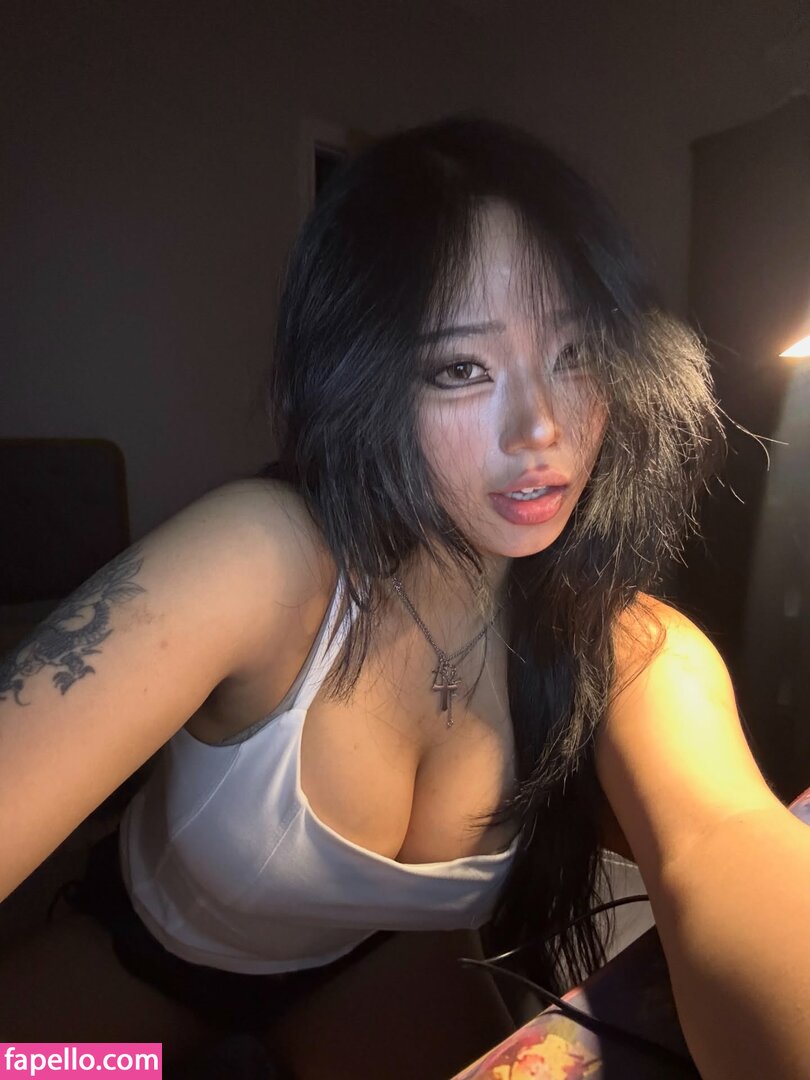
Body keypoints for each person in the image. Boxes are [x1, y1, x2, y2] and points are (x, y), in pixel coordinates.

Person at [1, 115, 808, 1080]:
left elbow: (726, 841)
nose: (540, 429)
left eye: (575, 354)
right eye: (462, 369)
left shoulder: (620, 640)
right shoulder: (261, 557)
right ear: (366, 382)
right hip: (145, 966)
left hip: (375, 969)